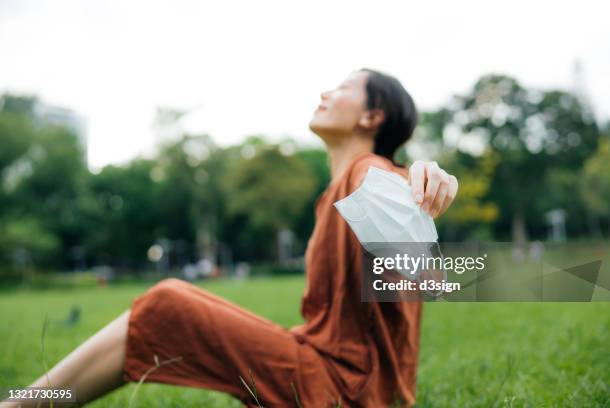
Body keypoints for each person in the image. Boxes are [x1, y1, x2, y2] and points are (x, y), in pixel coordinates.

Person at [2, 68, 458, 407]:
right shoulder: (334, 195)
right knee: (171, 301)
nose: (325, 91)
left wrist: (417, 181)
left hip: (342, 391)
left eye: (342, 88)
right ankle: (27, 401)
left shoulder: (368, 174)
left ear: (372, 116)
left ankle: (23, 404)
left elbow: (424, 272)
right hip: (331, 374)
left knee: (168, 304)